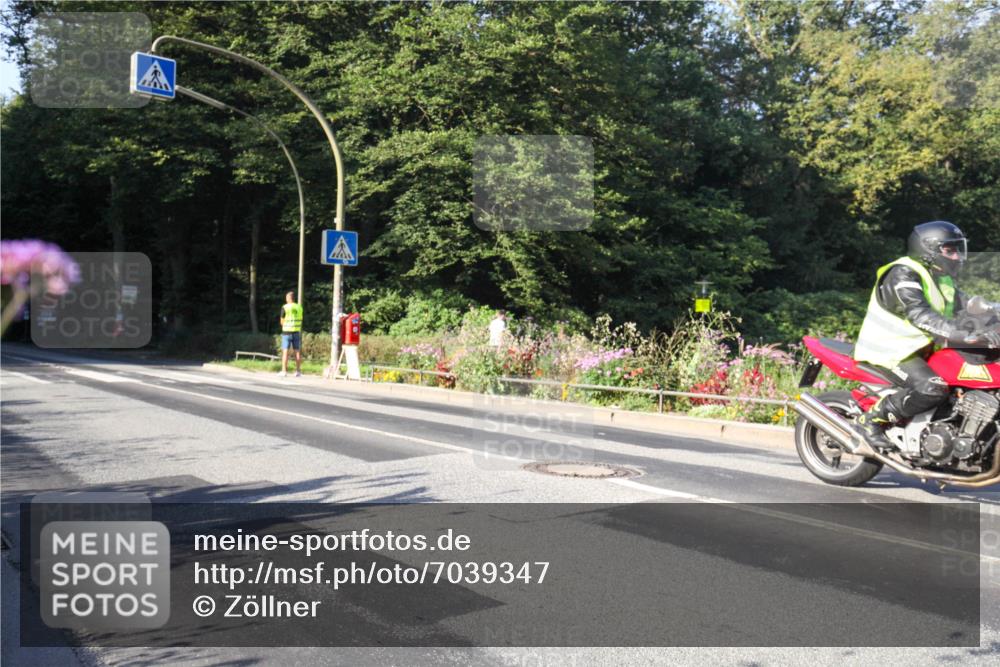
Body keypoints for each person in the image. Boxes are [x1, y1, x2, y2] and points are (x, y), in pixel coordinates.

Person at [853, 221, 1000, 448]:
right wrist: (968, 336)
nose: (958, 256)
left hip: (924, 349)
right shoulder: (902, 274)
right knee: (933, 387)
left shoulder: (941, 278)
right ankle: (870, 420)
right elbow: (920, 315)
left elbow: (968, 304)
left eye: (959, 249)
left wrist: (993, 310)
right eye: (949, 250)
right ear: (928, 249)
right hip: (893, 351)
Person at [279, 291, 303, 377]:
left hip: (286, 332)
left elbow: (281, 321)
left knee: (285, 352)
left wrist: (286, 325)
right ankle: (298, 371)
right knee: (297, 352)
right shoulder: (299, 307)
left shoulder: (285, 307)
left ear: (289, 298)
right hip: (296, 331)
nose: (285, 299)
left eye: (286, 298)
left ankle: (284, 371)